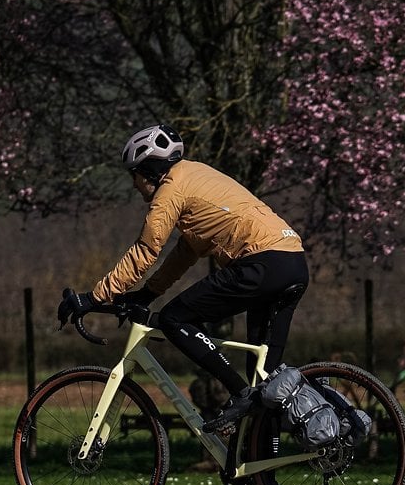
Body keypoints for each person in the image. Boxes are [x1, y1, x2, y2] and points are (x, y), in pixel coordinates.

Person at [57, 123, 308, 430]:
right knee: (267, 384)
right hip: (293, 262)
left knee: (175, 319)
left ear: (148, 169)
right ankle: (257, 474)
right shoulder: (196, 175)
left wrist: (95, 297)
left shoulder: (171, 190)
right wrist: (148, 293)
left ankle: (239, 391)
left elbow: (146, 250)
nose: (134, 185)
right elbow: (186, 252)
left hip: (261, 263)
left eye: (133, 174)